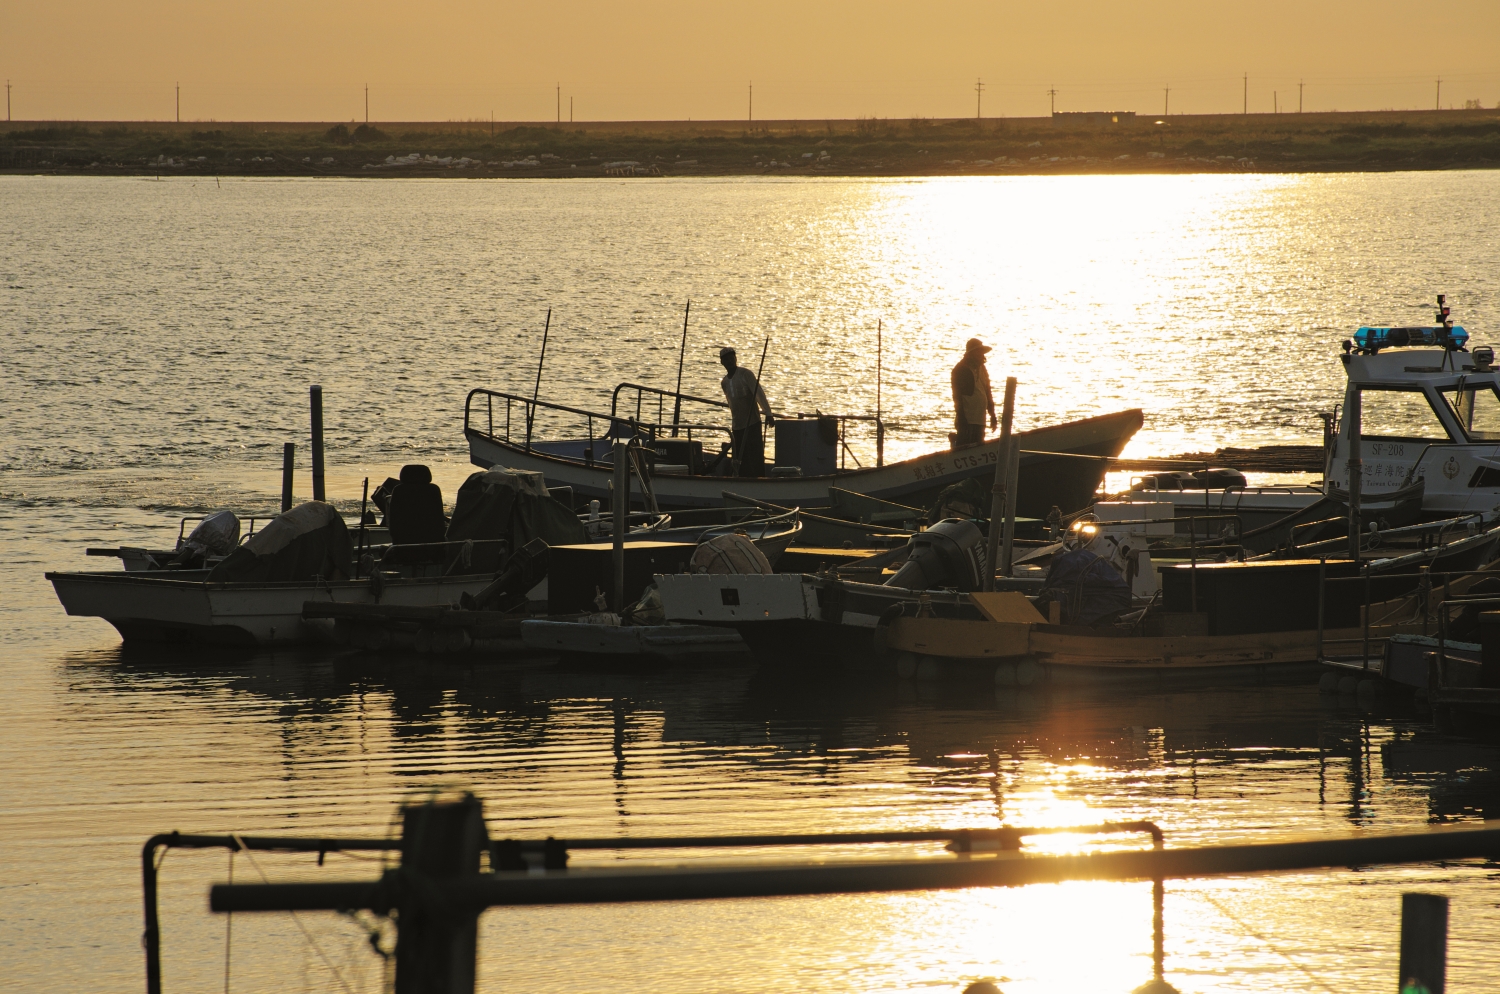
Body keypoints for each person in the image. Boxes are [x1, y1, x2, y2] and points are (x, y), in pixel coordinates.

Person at [719, 347, 774, 477]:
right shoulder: (724, 382)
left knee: (755, 456)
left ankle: (758, 480)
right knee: (740, 458)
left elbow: (759, 394)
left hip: (752, 423)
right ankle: (742, 479)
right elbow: (731, 403)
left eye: (731, 358)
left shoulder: (745, 374)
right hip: (737, 425)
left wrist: (768, 413)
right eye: (726, 359)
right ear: (722, 362)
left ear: (735, 358)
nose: (729, 361)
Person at [951, 337, 997, 447]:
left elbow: (988, 392)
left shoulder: (983, 369)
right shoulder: (960, 369)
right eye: (978, 352)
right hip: (967, 419)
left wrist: (992, 415)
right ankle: (954, 442)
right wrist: (962, 419)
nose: (981, 355)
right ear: (971, 353)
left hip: (980, 419)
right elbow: (957, 397)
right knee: (965, 446)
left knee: (978, 447)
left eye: (982, 352)